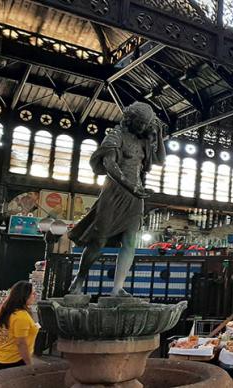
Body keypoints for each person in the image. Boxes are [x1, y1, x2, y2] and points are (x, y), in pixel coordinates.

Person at [68, 102, 165, 296]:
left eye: (146, 124)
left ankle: (117, 287)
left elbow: (160, 160)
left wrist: (159, 134)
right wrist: (132, 187)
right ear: (130, 119)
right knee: (99, 241)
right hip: (114, 192)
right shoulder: (116, 135)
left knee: (130, 241)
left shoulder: (143, 140)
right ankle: (79, 280)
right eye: (141, 123)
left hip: (136, 196)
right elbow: (109, 164)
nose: (143, 127)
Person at [0, 281, 39, 370]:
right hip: (15, 361)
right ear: (24, 296)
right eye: (33, 293)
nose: (35, 296)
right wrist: (29, 365)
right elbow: (21, 343)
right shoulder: (21, 317)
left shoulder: (1, 312)